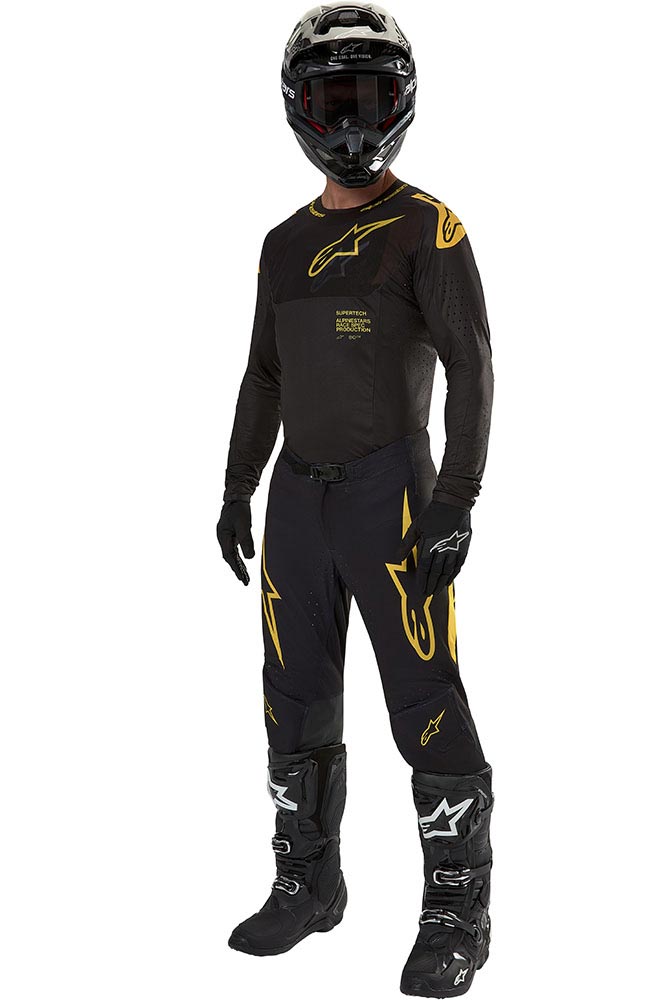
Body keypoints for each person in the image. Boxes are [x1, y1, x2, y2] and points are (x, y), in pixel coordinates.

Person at [216, 4, 495, 995]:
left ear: (402, 104)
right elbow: (264, 376)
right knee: (291, 695)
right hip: (296, 503)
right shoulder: (281, 243)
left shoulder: (428, 228)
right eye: (333, 98)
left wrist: (456, 497)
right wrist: (236, 486)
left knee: (423, 697)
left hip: (393, 497)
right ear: (297, 105)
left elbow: (472, 366)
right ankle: (308, 884)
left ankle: (456, 916)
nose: (350, 121)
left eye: (370, 98)